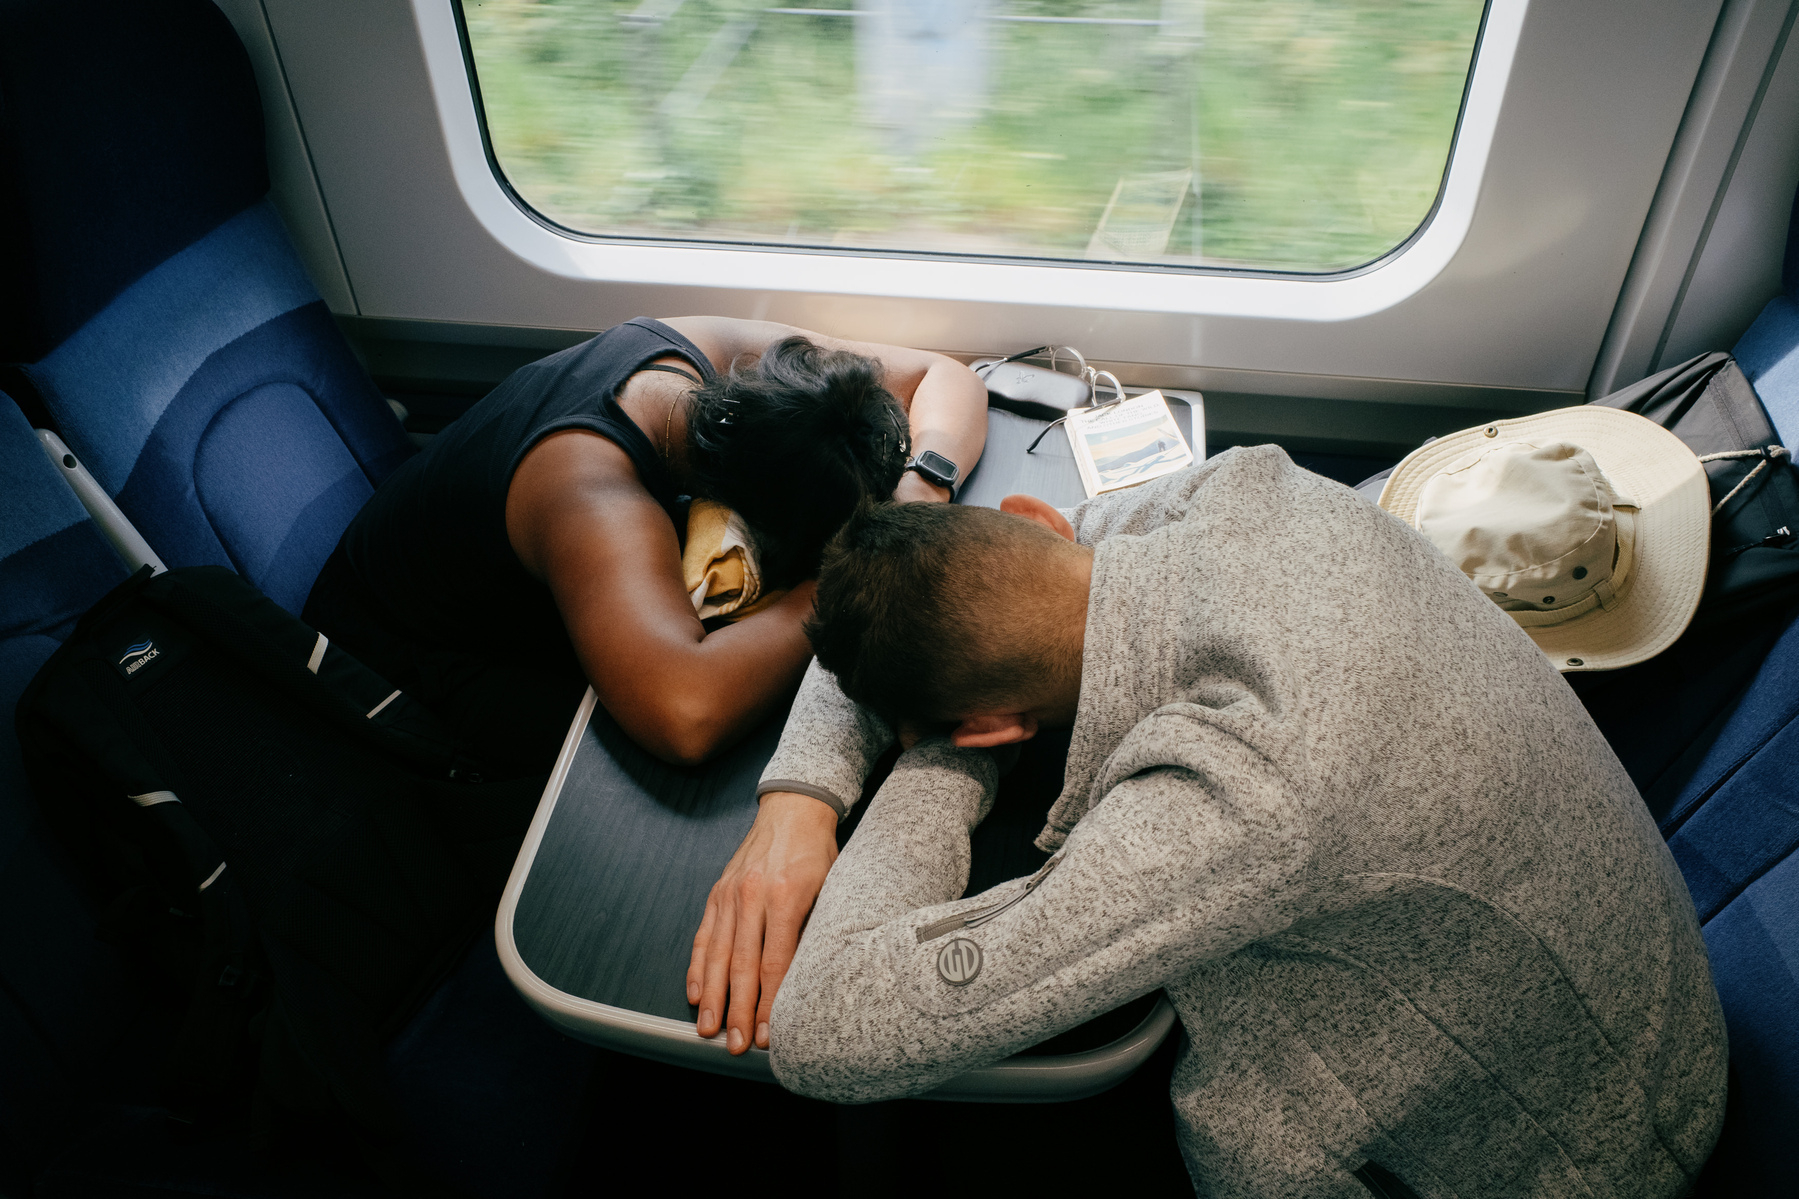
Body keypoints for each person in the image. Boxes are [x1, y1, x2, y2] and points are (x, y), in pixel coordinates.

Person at [756, 443, 1728, 1198]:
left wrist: (937, 754)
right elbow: (917, 578)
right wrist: (797, 798)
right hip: (1613, 982)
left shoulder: (1242, 791)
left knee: (1234, 1118)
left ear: (993, 726)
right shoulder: (1243, 488)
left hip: (1600, 1137)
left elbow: (825, 1032)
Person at [303, 319, 987, 1038]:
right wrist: (845, 571)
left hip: (522, 607)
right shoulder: (590, 488)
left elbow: (947, 374)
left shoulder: (723, 364)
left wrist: (923, 485)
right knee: (685, 816)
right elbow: (684, 713)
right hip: (406, 679)